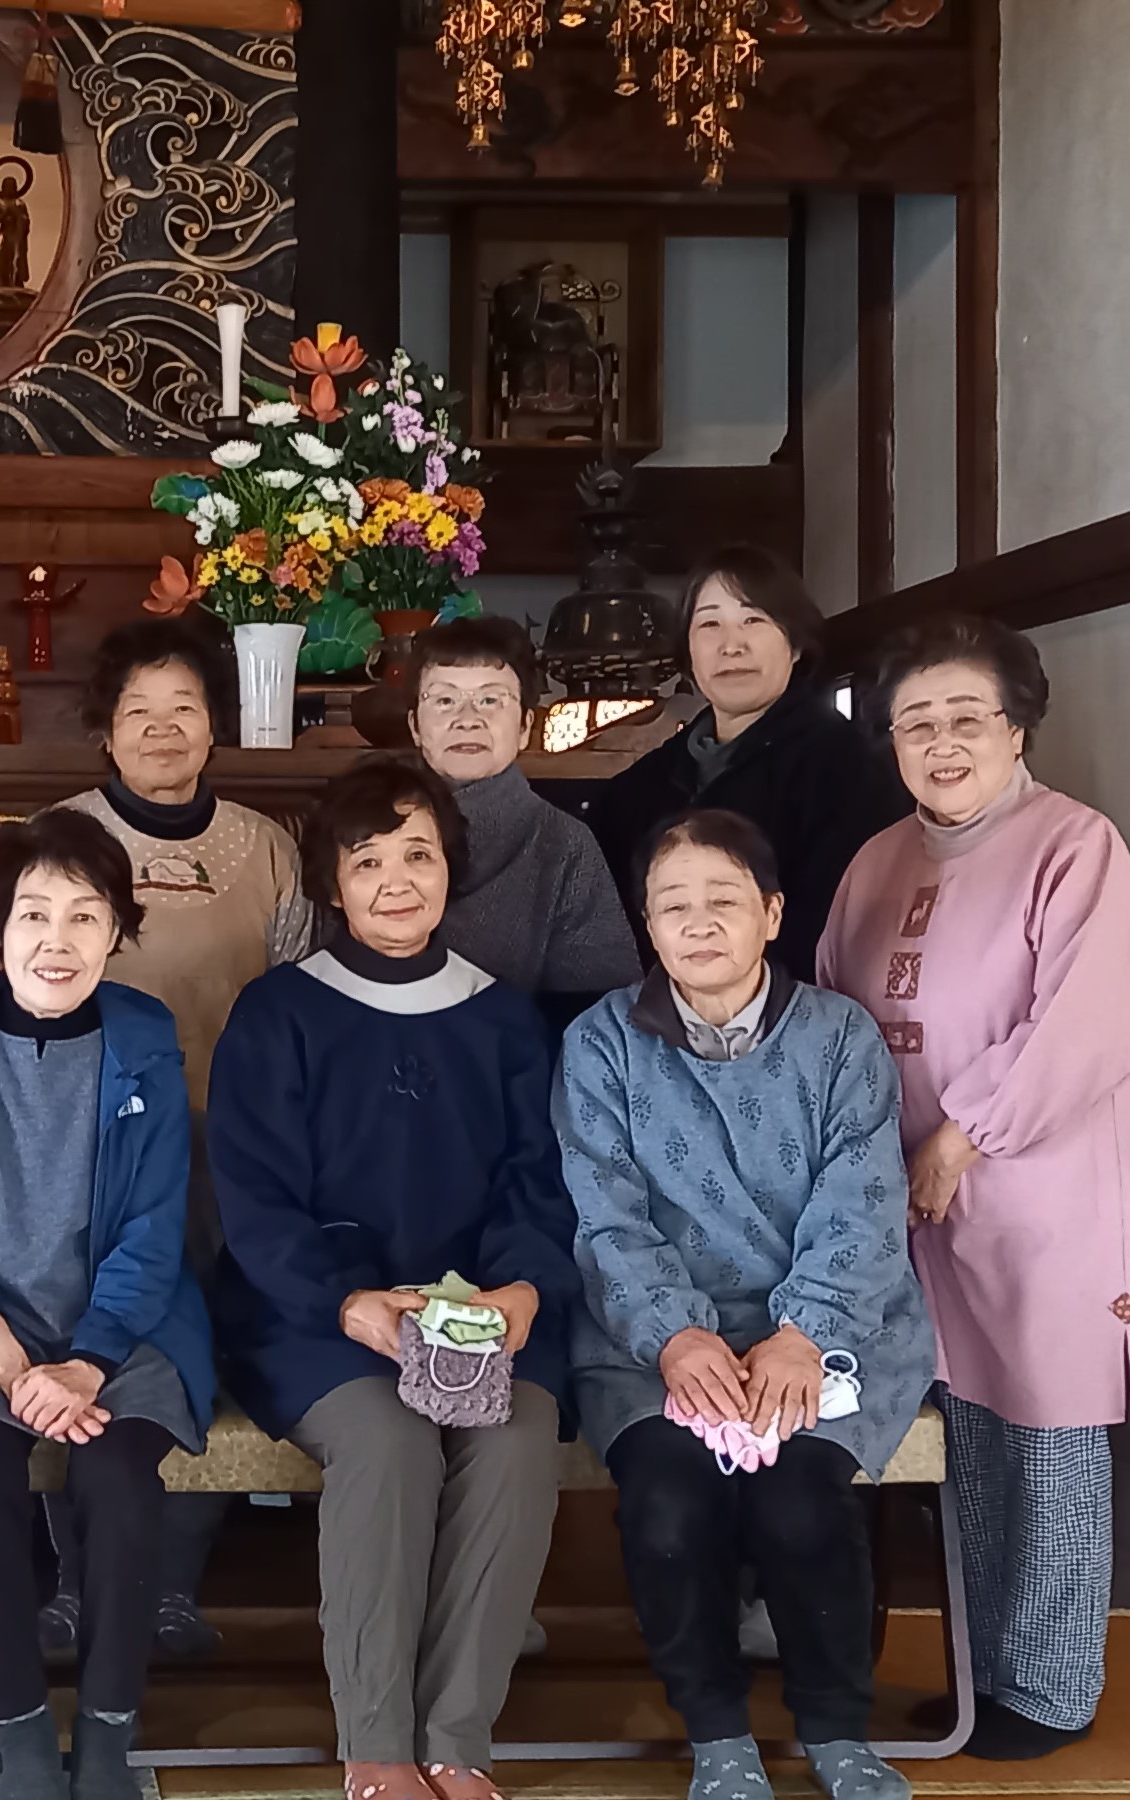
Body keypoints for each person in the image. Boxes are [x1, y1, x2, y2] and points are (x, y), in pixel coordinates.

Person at [208, 758, 576, 1800]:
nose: (396, 879)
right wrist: (349, 1301)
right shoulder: (278, 1013)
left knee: (513, 1442)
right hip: (319, 1317)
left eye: (419, 854)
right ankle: (375, 1741)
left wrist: (518, 1294)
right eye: (368, 860)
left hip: (480, 1315)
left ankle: (457, 1734)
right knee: (390, 1436)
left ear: (450, 872)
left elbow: (540, 1182)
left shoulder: (504, 1018)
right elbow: (255, 1198)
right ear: (332, 883)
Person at [560, 809, 935, 1800]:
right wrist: (675, 1336)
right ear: (645, 923)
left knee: (801, 1500)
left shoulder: (840, 1036)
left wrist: (800, 1334)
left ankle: (837, 1730)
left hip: (826, 1326)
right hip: (653, 1335)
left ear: (771, 913)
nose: (699, 923)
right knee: (670, 1503)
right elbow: (605, 1210)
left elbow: (863, 1198)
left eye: (723, 900)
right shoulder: (600, 1043)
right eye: (673, 905)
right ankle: (718, 1736)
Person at [819, 616, 1130, 1761]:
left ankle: (1048, 1691)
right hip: (903, 1196)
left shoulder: (1076, 844)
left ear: (1015, 726)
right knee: (961, 1436)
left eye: (966, 719)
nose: (942, 743)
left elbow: (1088, 1021)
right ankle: (978, 1673)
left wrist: (964, 1133)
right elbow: (830, 1016)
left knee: (1044, 1430)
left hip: (1034, 1191)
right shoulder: (878, 858)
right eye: (916, 725)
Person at [0, 810, 215, 1800]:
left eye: (85, 915)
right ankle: (23, 1731)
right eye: (35, 913)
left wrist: (89, 1358)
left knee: (118, 1485)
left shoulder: (148, 1038)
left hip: (125, 1326)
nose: (57, 941)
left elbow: (156, 1224)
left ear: (117, 931)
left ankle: (109, 1729)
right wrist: (10, 1359)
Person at [47, 617, 309, 1657]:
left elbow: (298, 1000)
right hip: (93, 1152)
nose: (163, 732)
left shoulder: (267, 845)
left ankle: (172, 1580)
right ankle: (77, 1580)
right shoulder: (64, 839)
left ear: (218, 726)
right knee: (85, 1353)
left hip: (239, 1148)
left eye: (185, 710)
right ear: (106, 735)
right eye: (138, 714)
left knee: (205, 1351)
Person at [587, 547, 907, 983]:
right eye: (709, 624)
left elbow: (846, 929)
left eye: (753, 620)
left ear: (794, 645)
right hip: (654, 1020)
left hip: (793, 1017)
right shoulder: (640, 786)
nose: (731, 645)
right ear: (688, 651)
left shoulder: (848, 767)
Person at [407, 616, 638, 1021]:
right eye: (444, 700)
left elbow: (597, 1018)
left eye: (490, 700)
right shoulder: (368, 828)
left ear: (526, 726)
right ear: (415, 726)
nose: (467, 718)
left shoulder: (564, 845)